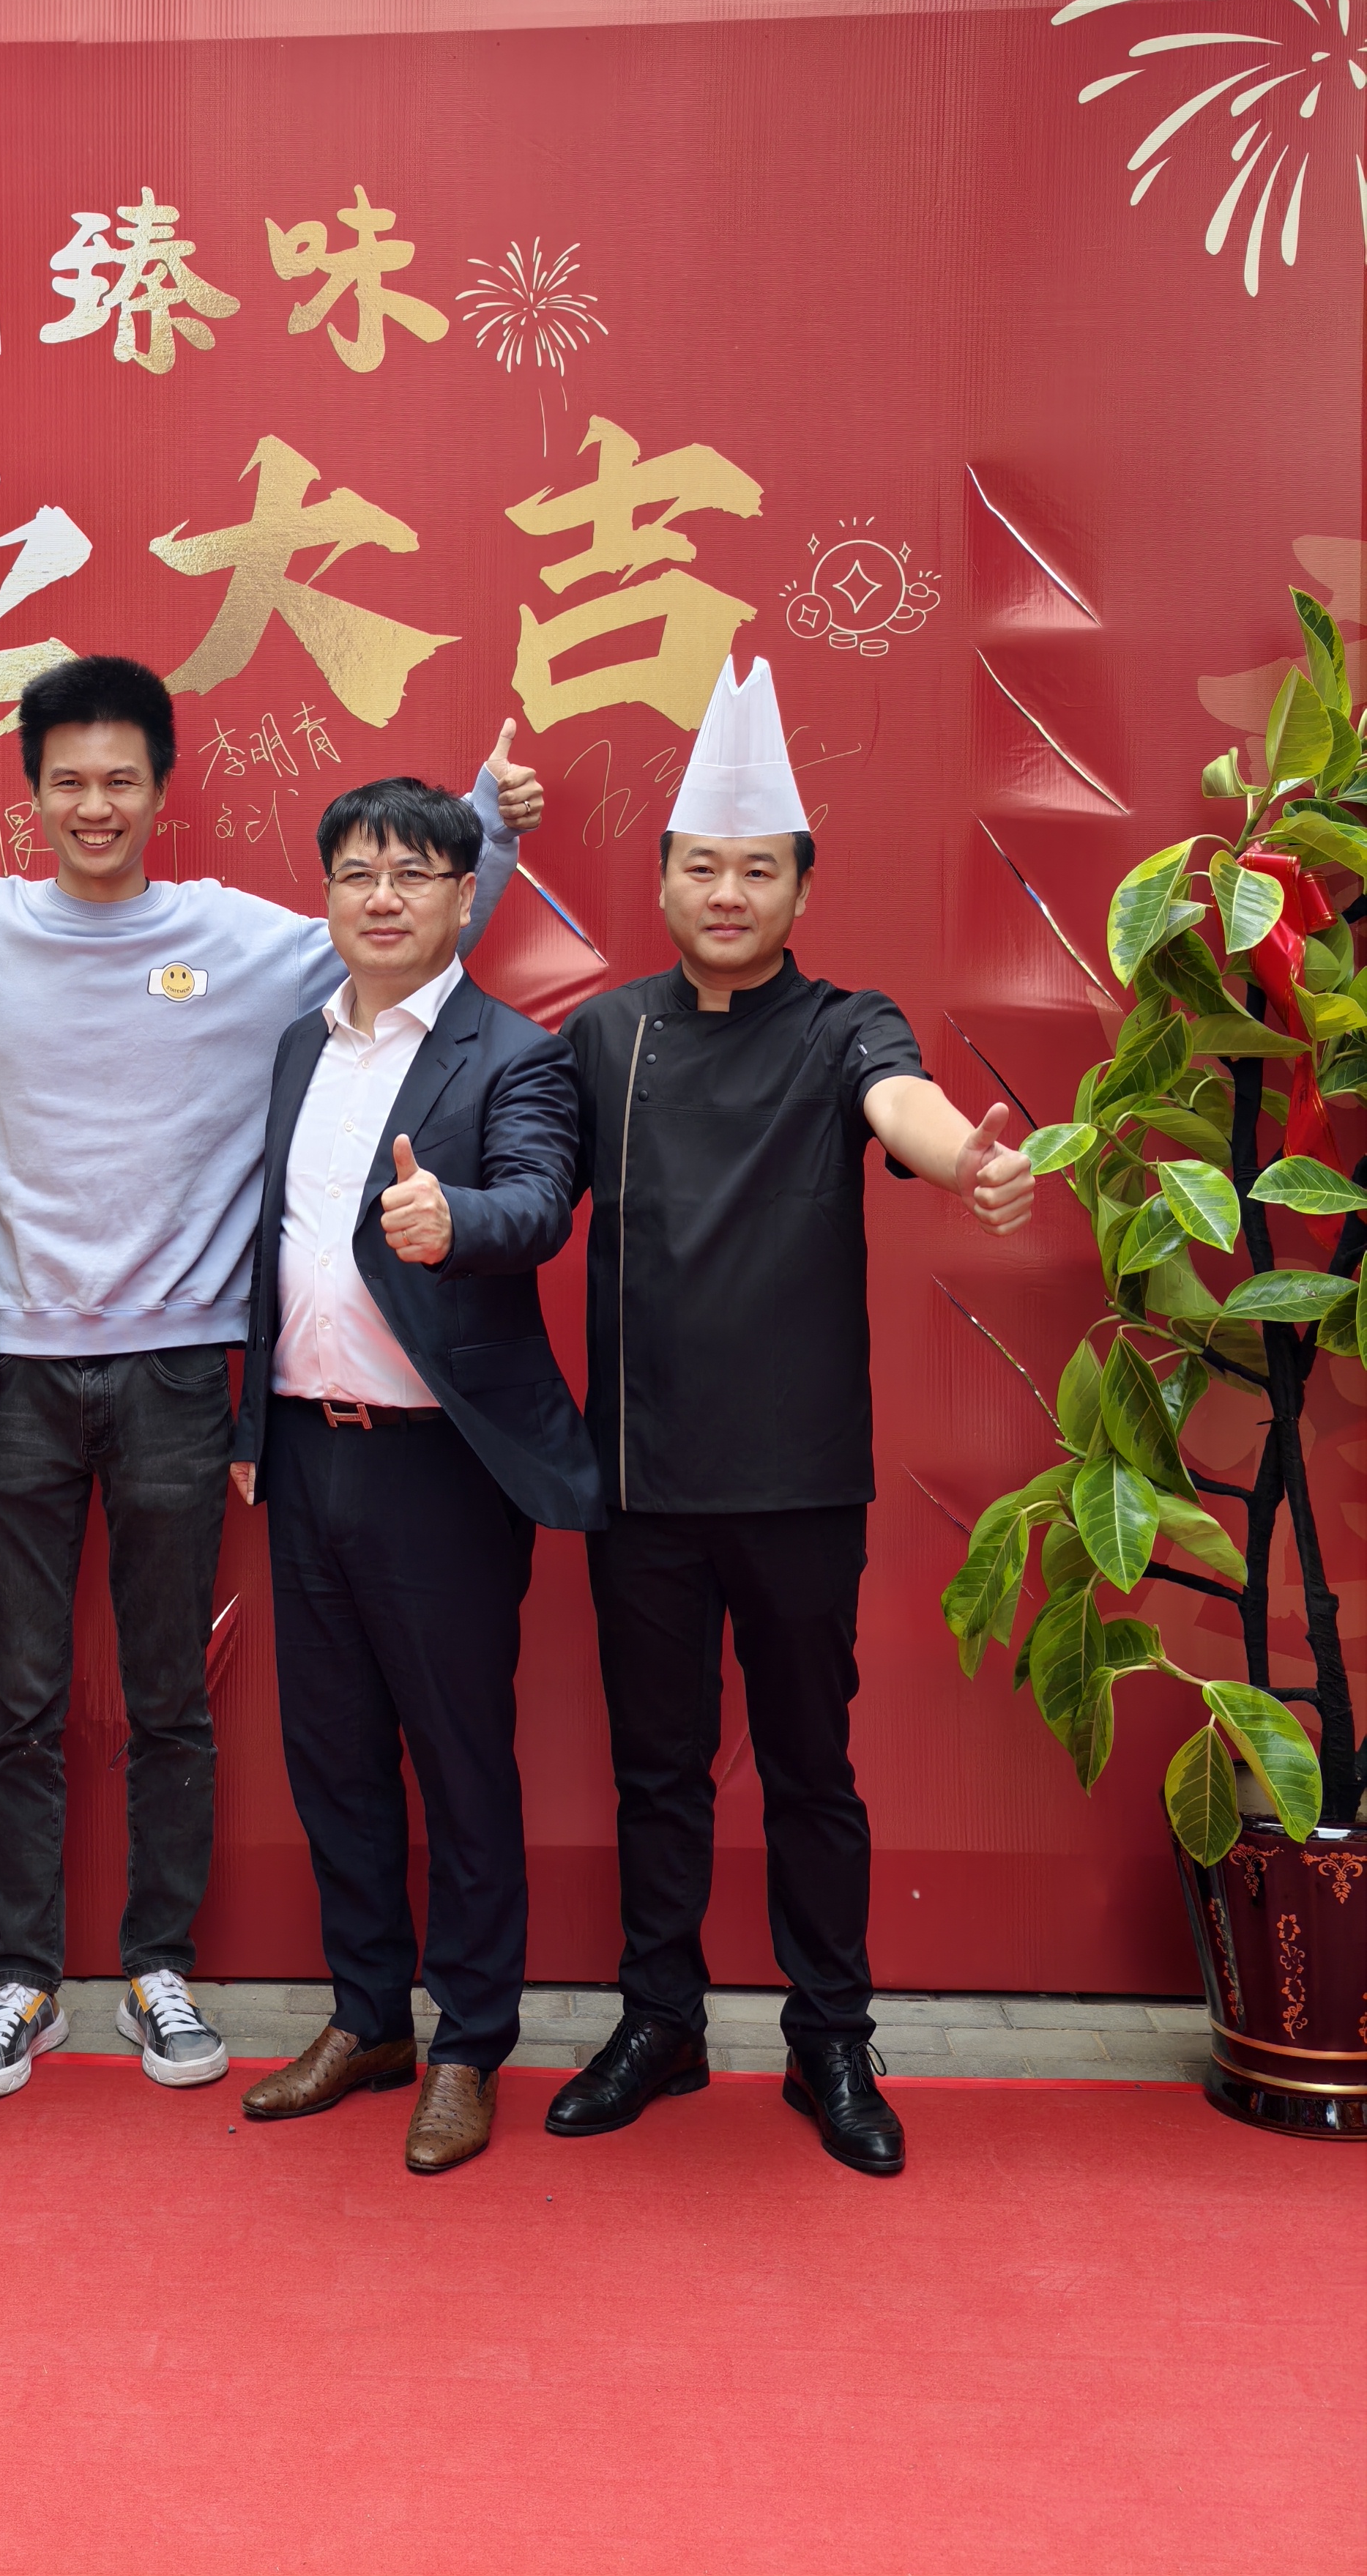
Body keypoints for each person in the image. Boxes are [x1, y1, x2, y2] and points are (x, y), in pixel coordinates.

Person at [0, 656, 548, 2101]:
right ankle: (24, 1978)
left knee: (169, 1699)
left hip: (176, 1370)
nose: (96, 805)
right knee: (20, 1698)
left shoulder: (246, 940)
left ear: (161, 788)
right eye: (70, 781)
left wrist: (491, 822)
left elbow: (404, 936)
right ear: (33, 791)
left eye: (122, 780)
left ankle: (158, 1968)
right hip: (8, 1372)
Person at [546, 656, 1035, 2175]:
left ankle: (832, 2036)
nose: (728, 892)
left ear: (801, 886)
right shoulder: (605, 1036)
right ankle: (661, 2020)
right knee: (656, 1772)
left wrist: (971, 1164)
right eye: (704, 866)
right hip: (642, 1477)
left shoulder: (843, 1025)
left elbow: (909, 1104)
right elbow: (528, 1180)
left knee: (814, 1770)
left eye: (759, 870)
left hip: (802, 1480)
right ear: (665, 879)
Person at [228, 778, 603, 2175]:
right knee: (332, 1759)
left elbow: (541, 1200)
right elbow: (275, 1248)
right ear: (327, 894)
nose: (382, 897)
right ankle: (369, 2017)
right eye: (357, 873)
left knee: (459, 1762)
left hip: (441, 1465)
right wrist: (254, 1435)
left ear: (463, 894)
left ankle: (471, 2044)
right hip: (307, 1448)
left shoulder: (515, 1053)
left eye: (413, 874)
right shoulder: (298, 1046)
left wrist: (458, 1221)